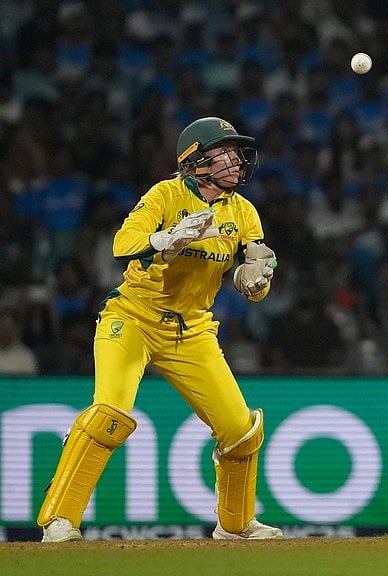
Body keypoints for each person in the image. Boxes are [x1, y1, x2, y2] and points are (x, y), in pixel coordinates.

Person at [37, 117, 282, 542]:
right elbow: (121, 244)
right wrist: (166, 239)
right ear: (197, 161)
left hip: (193, 330)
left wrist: (255, 279)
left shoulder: (244, 212)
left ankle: (236, 525)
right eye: (224, 152)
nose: (236, 161)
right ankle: (60, 520)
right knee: (109, 414)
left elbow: (249, 277)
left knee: (240, 431)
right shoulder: (164, 194)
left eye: (236, 153)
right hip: (132, 317)